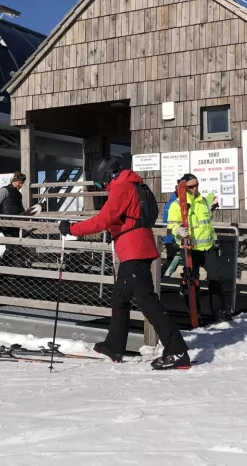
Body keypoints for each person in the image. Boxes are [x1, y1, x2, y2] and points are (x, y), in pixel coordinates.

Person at [59, 155, 191, 370]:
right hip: (136, 248)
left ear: (107, 176)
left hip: (134, 251)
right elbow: (132, 218)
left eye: (101, 183)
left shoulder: (121, 187)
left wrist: (72, 229)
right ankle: (114, 346)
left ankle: (177, 351)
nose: (103, 187)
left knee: (148, 302)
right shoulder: (136, 185)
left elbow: (103, 219)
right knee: (120, 299)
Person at [165, 173, 227, 321]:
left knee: (216, 279)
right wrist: (177, 230)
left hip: (207, 247)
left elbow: (206, 223)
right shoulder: (177, 204)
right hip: (190, 248)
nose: (194, 189)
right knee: (191, 282)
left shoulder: (203, 201)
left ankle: (218, 313)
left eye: (196, 185)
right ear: (184, 188)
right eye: (191, 186)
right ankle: (194, 313)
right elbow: (171, 225)